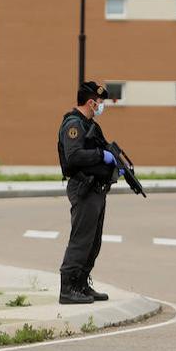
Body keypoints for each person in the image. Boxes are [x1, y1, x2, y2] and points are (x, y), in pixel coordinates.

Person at [57, 80, 122, 305]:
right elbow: (74, 156)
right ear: (91, 102)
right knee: (81, 240)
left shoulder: (90, 124)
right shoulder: (74, 124)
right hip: (83, 187)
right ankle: (68, 288)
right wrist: (100, 156)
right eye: (100, 101)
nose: (101, 105)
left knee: (93, 242)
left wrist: (115, 164)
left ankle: (82, 284)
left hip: (96, 188)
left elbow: (102, 147)